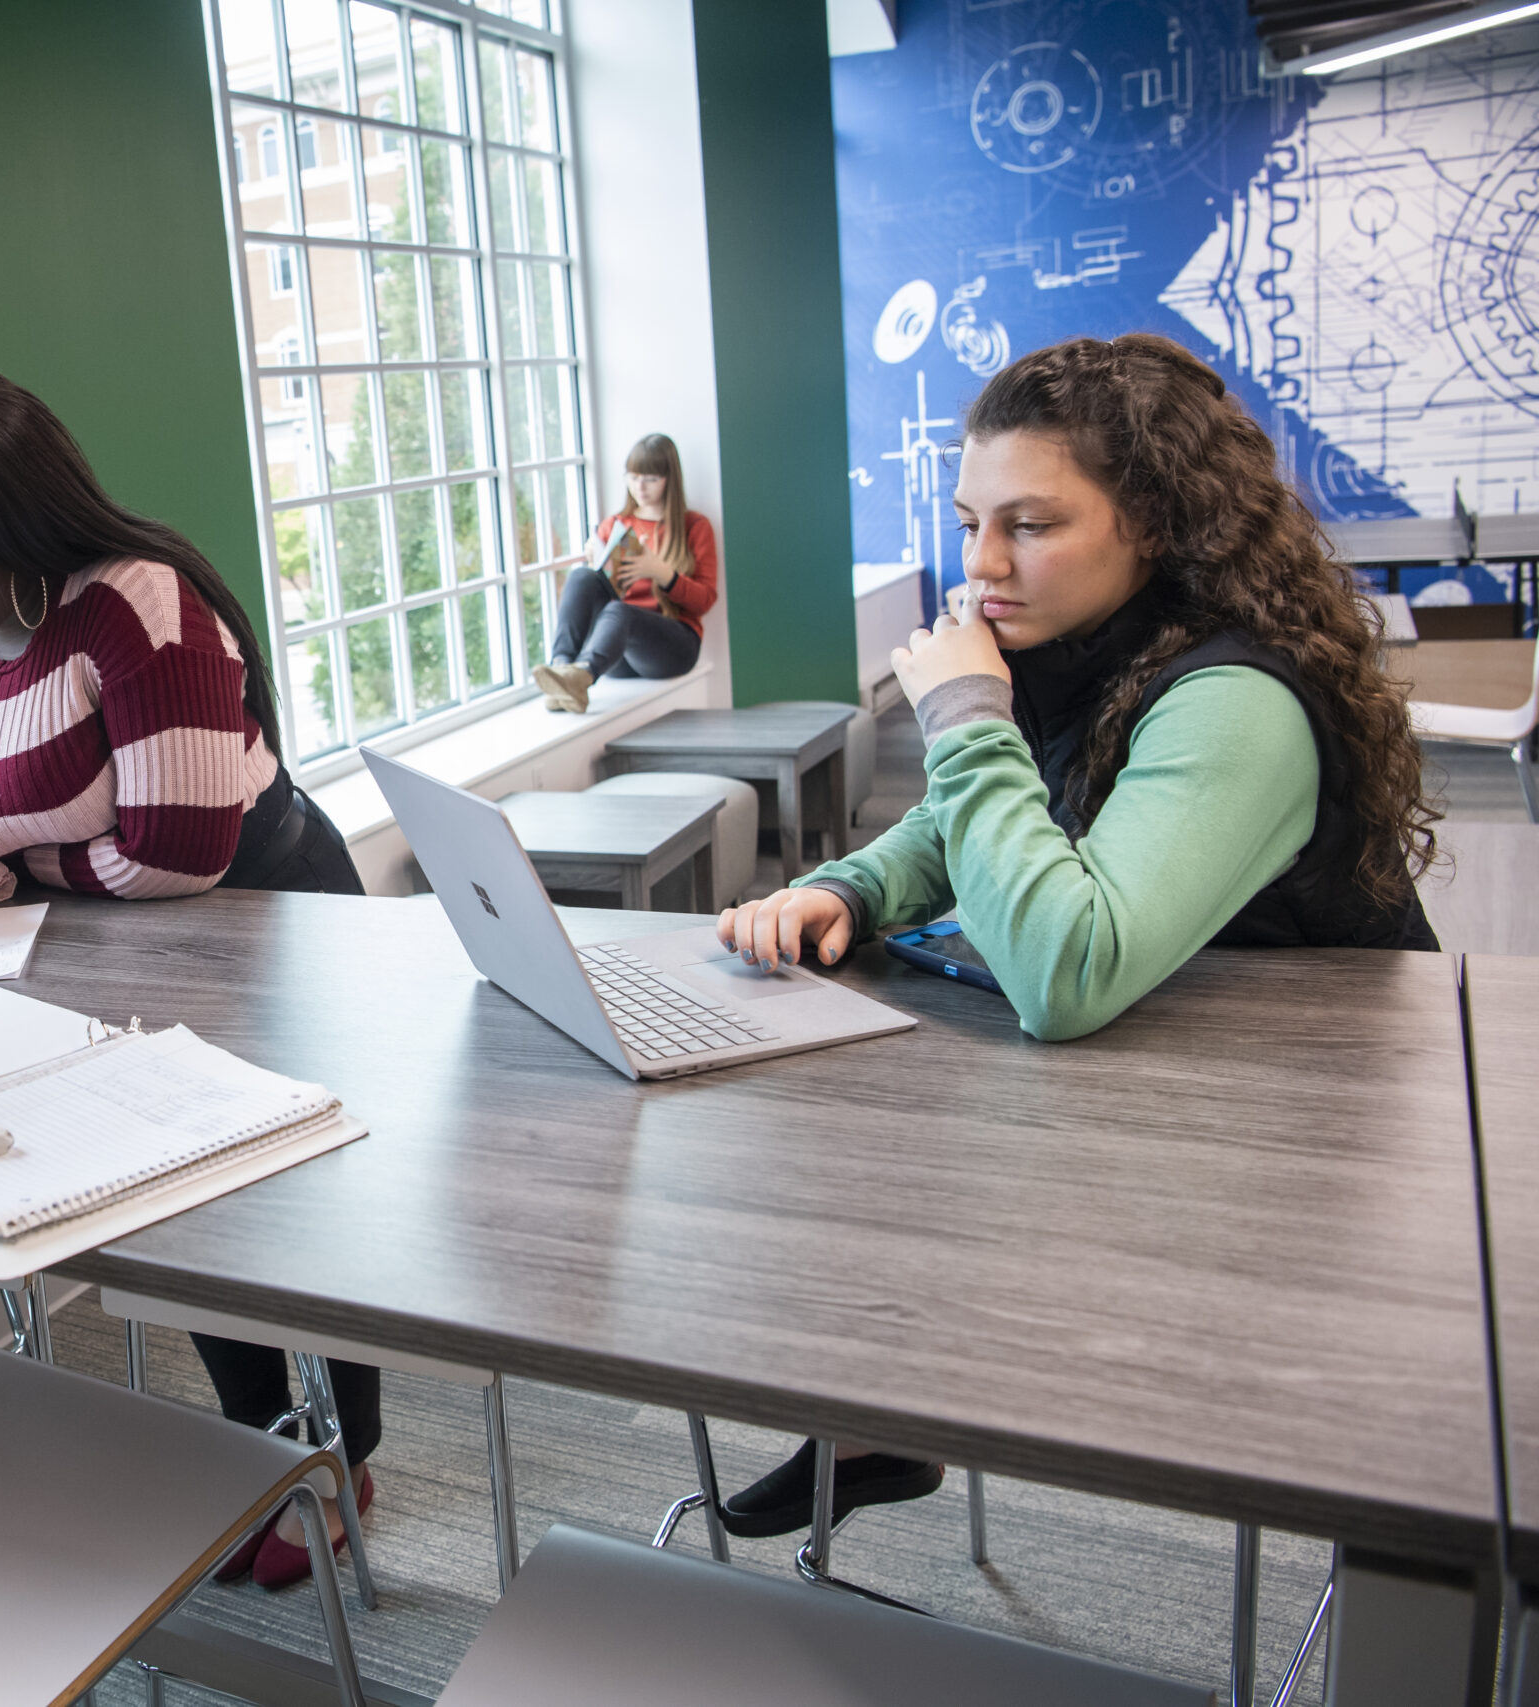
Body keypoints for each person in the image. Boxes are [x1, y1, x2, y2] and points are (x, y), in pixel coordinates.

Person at [707, 333, 1439, 1538]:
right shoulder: (1075, 642)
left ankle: (899, 1409)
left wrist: (960, 708)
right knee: (870, 1123)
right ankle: (885, 1413)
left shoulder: (1235, 701)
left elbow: (1063, 971)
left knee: (918, 1127)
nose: (983, 563)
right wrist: (842, 889)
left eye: (1030, 526)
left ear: (1152, 523)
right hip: (1184, 1059)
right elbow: (960, 830)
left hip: (1316, 1155)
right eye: (968, 521)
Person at [0, 365, 376, 1590]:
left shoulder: (139, 605)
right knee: (165, 1200)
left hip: (264, 919)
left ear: (14, 536)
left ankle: (344, 1456)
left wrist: (10, 864)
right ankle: (266, 1443)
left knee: (287, 1214)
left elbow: (176, 852)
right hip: (90, 944)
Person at [531, 432, 719, 713]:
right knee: (582, 577)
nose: (640, 487)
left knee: (620, 612)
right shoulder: (616, 525)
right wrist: (599, 566)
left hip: (672, 647)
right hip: (616, 650)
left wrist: (663, 574)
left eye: (651, 479)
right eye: (632, 477)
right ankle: (563, 671)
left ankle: (579, 677)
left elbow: (704, 601)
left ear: (670, 479)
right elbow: (596, 593)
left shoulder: (694, 526)